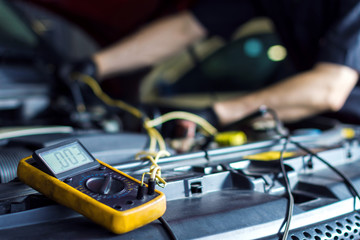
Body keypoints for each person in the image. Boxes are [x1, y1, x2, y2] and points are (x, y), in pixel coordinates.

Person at [79, 0, 360, 129]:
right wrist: (93, 66)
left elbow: (328, 88)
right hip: (318, 124)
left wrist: (216, 114)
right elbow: (187, 28)